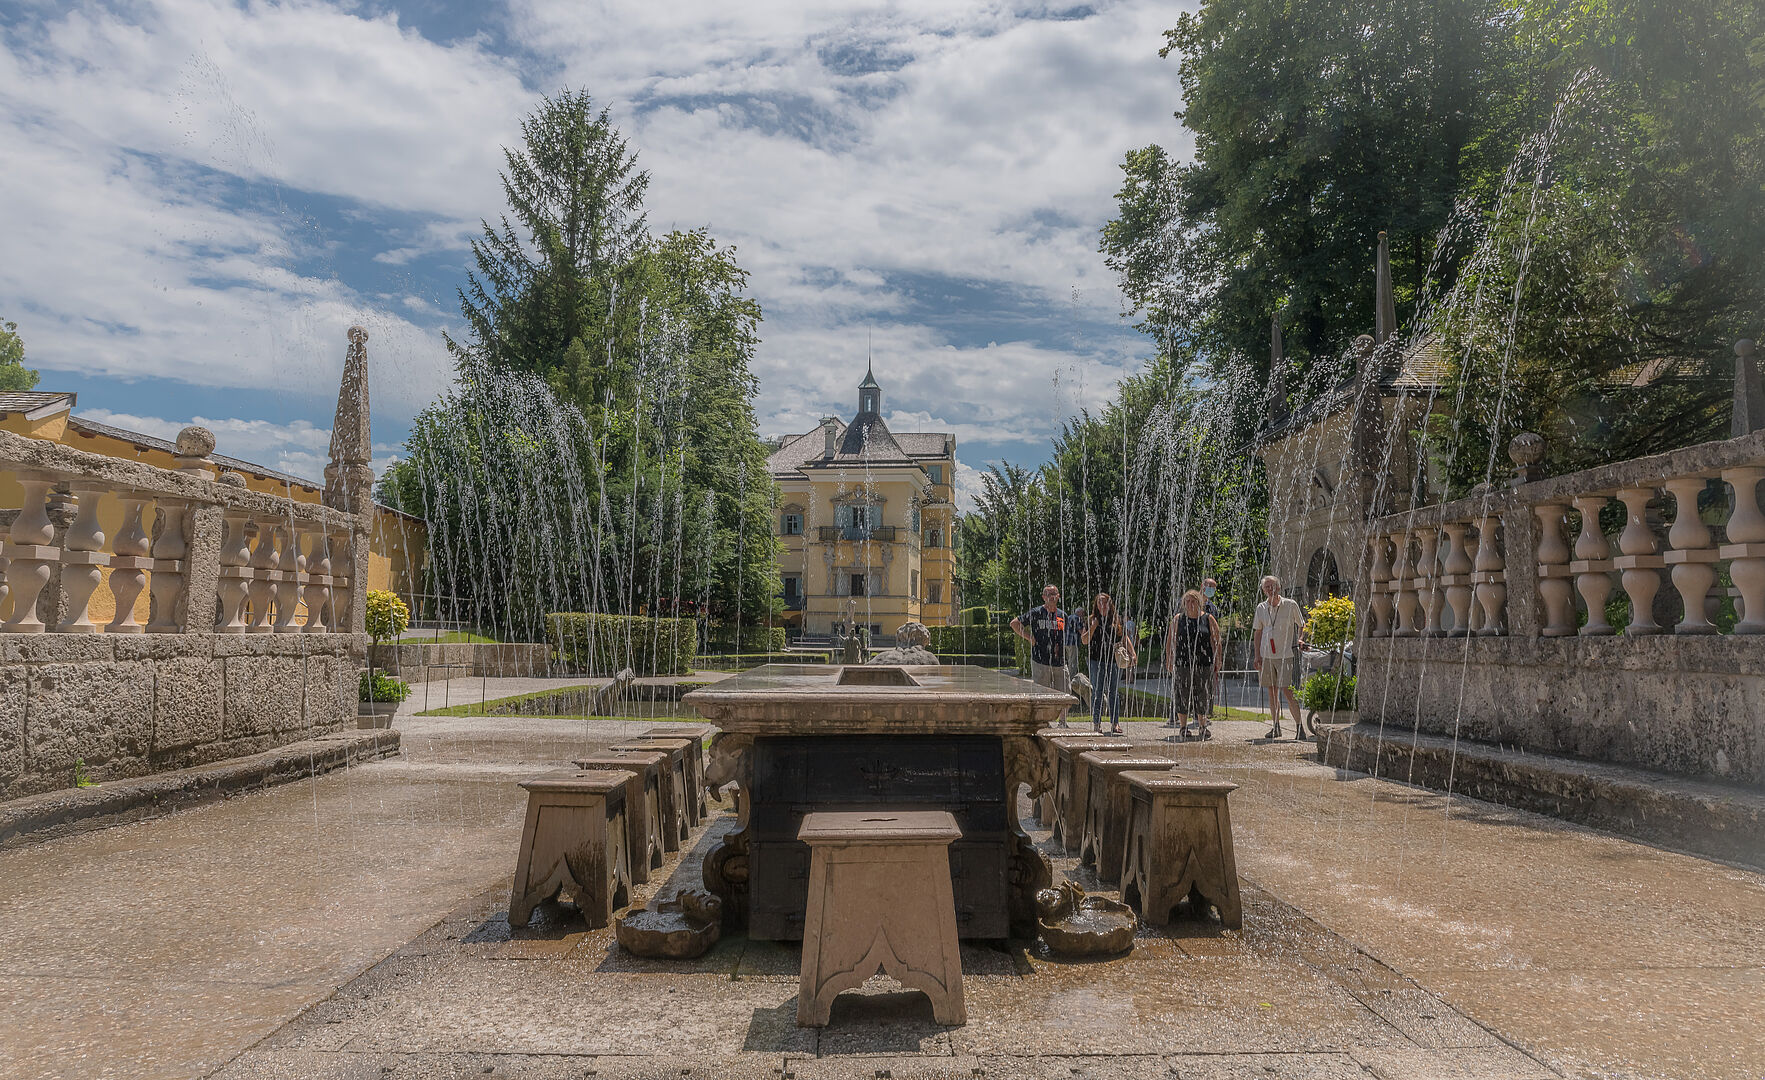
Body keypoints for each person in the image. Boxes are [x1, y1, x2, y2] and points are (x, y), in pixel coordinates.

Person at [1251, 575, 1306, 739]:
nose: (1270, 589)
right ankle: (1276, 727)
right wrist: (1257, 655)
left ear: (1279, 587)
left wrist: (1301, 638)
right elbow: (1258, 632)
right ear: (1263, 590)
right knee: (1272, 692)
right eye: (1266, 587)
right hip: (1267, 655)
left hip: (1285, 655)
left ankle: (1299, 727)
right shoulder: (1261, 607)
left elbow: (1302, 624)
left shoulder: (1290, 604)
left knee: (1288, 691)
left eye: (1272, 586)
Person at [1164, 589, 1222, 739]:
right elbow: (1171, 640)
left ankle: (1202, 726)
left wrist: (1218, 659)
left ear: (1199, 602)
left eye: (1193, 601)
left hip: (1204, 663)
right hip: (1183, 663)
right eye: (1187, 601)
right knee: (1182, 694)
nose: (1190, 604)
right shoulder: (1178, 619)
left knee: (1203, 694)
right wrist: (1169, 659)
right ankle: (1183, 727)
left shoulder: (1208, 619)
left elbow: (1216, 641)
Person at [1011, 585, 1073, 725]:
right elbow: (1014, 623)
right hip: (1040, 660)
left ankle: (1063, 722)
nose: (1051, 596)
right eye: (1048, 594)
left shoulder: (1063, 615)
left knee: (1065, 692)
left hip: (1060, 661)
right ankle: (1043, 722)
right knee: (1041, 693)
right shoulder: (1037, 612)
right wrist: (1029, 637)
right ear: (1043, 597)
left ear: (1058, 596)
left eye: (1054, 593)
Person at [1081, 592, 1135, 734]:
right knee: (1097, 692)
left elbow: (1124, 637)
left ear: (1110, 605)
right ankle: (1097, 723)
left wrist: (1132, 652)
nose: (1103, 605)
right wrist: (1093, 627)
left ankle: (1115, 723)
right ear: (1096, 605)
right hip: (1095, 661)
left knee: (1113, 692)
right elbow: (1084, 640)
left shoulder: (1116, 620)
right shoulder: (1091, 620)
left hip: (1113, 661)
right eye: (1100, 602)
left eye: (1105, 602)